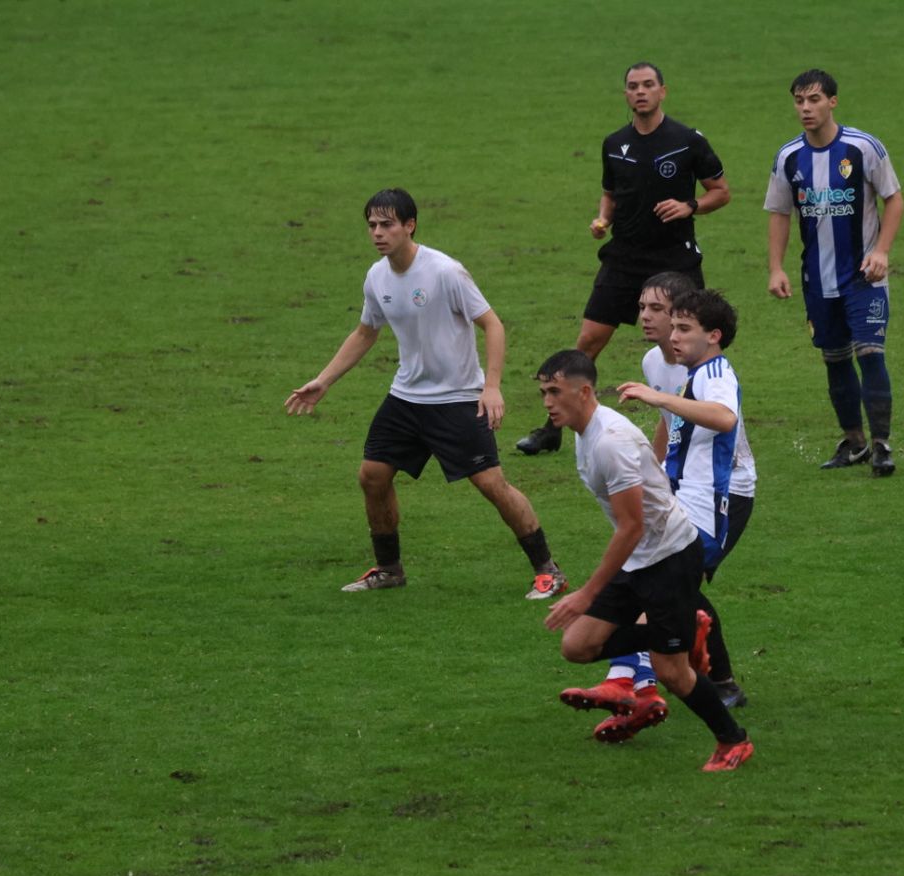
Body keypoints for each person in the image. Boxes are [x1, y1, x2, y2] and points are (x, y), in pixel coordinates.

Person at [287, 188, 566, 598]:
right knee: (372, 476)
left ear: (409, 225)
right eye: (371, 226)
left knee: (491, 484)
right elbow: (366, 331)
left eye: (386, 224)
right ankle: (389, 569)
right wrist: (324, 380)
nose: (377, 233)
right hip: (407, 397)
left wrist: (490, 388)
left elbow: (493, 324)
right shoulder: (376, 276)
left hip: (456, 398)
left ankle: (548, 569)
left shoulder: (445, 272)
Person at [537, 349, 753, 772]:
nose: (547, 402)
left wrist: (586, 594)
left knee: (671, 673)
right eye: (544, 392)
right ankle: (685, 633)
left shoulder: (610, 443)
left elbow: (632, 527)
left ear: (583, 392)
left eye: (554, 392)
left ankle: (733, 740)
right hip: (640, 560)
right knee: (577, 646)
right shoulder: (586, 433)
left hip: (670, 559)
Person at [561, 284, 757, 725]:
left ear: (714, 335)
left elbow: (723, 418)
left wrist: (659, 398)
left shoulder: (715, 373)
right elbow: (675, 428)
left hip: (711, 507)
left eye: (680, 325)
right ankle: (677, 661)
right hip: (684, 494)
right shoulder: (679, 368)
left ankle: (635, 681)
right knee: (660, 585)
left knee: (656, 580)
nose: (669, 331)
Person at [516, 62, 730, 456]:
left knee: (688, 344)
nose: (641, 92)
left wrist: (690, 206)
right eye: (633, 86)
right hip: (624, 258)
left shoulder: (687, 140)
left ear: (663, 91)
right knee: (588, 342)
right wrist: (603, 219)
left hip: (674, 262)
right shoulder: (614, 143)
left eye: (648, 85)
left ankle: (705, 420)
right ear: (626, 95)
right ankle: (553, 427)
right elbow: (611, 193)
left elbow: (721, 191)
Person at [764, 68, 904, 476]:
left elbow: (894, 200)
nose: (805, 109)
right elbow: (778, 213)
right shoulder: (789, 157)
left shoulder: (863, 148)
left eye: (813, 100)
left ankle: (882, 445)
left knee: (870, 353)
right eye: (799, 101)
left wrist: (881, 250)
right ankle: (855, 443)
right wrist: (775, 268)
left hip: (864, 276)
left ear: (832, 102)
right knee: (835, 359)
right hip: (818, 279)